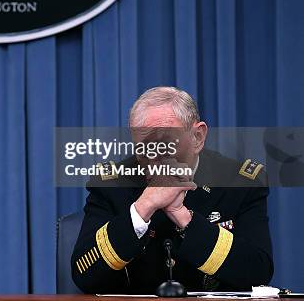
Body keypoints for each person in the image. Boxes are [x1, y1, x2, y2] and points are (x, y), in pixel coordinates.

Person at [71, 86, 273, 293]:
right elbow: (84, 274)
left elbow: (257, 273)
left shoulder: (239, 183)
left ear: (197, 137)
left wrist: (184, 217)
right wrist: (142, 208)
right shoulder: (112, 185)